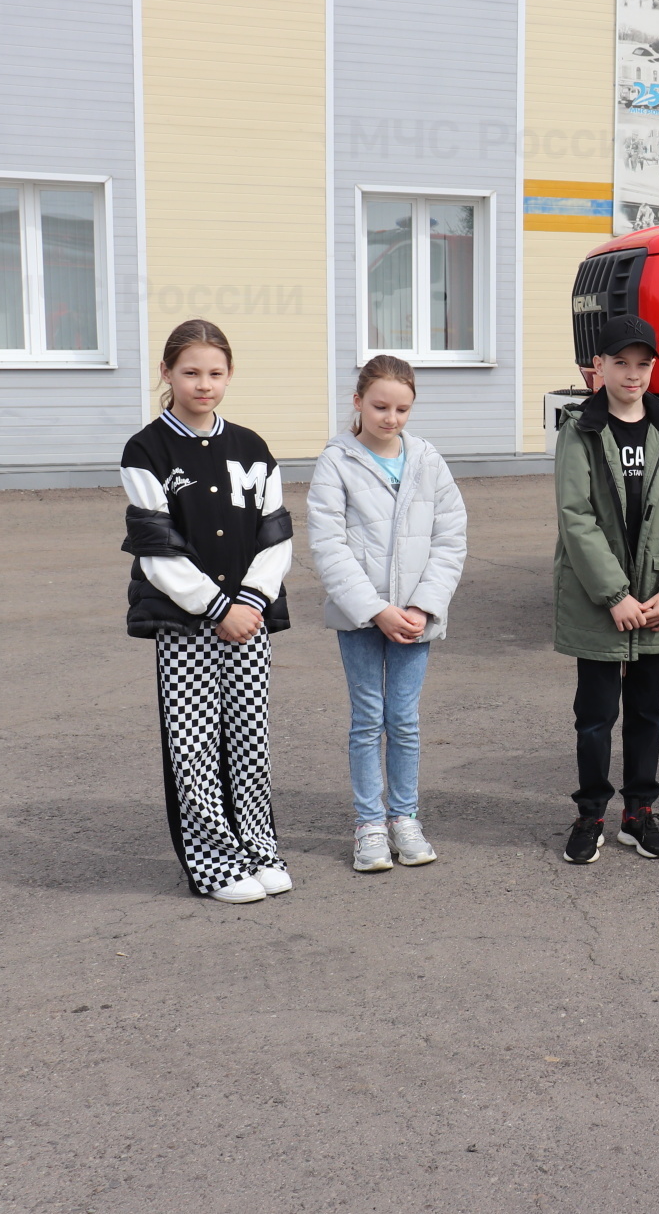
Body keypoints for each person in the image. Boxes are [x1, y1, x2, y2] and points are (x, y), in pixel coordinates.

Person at [120, 320, 295, 904]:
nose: (203, 384)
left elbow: (276, 538)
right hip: (187, 622)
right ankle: (214, 863)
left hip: (249, 621)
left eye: (214, 373)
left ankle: (257, 848)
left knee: (249, 738)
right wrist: (216, 607)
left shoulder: (252, 447)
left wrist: (248, 602)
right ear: (167, 373)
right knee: (194, 744)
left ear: (229, 376)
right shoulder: (145, 450)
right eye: (190, 372)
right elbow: (156, 550)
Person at [307, 355, 468, 872]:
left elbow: (450, 537)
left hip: (416, 619)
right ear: (357, 402)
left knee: (403, 719)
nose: (391, 418)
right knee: (368, 718)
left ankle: (405, 818)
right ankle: (369, 824)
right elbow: (328, 544)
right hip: (360, 617)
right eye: (379, 406)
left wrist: (423, 604)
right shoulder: (336, 461)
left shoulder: (427, 460)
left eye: (402, 408)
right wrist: (375, 609)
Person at [553, 316, 659, 865]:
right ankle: (590, 813)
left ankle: (638, 813)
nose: (632, 374)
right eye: (620, 363)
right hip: (601, 600)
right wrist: (614, 595)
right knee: (594, 717)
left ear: (653, 368)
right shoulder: (582, 429)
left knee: (647, 713)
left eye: (643, 364)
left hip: (654, 598)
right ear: (599, 368)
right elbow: (576, 516)